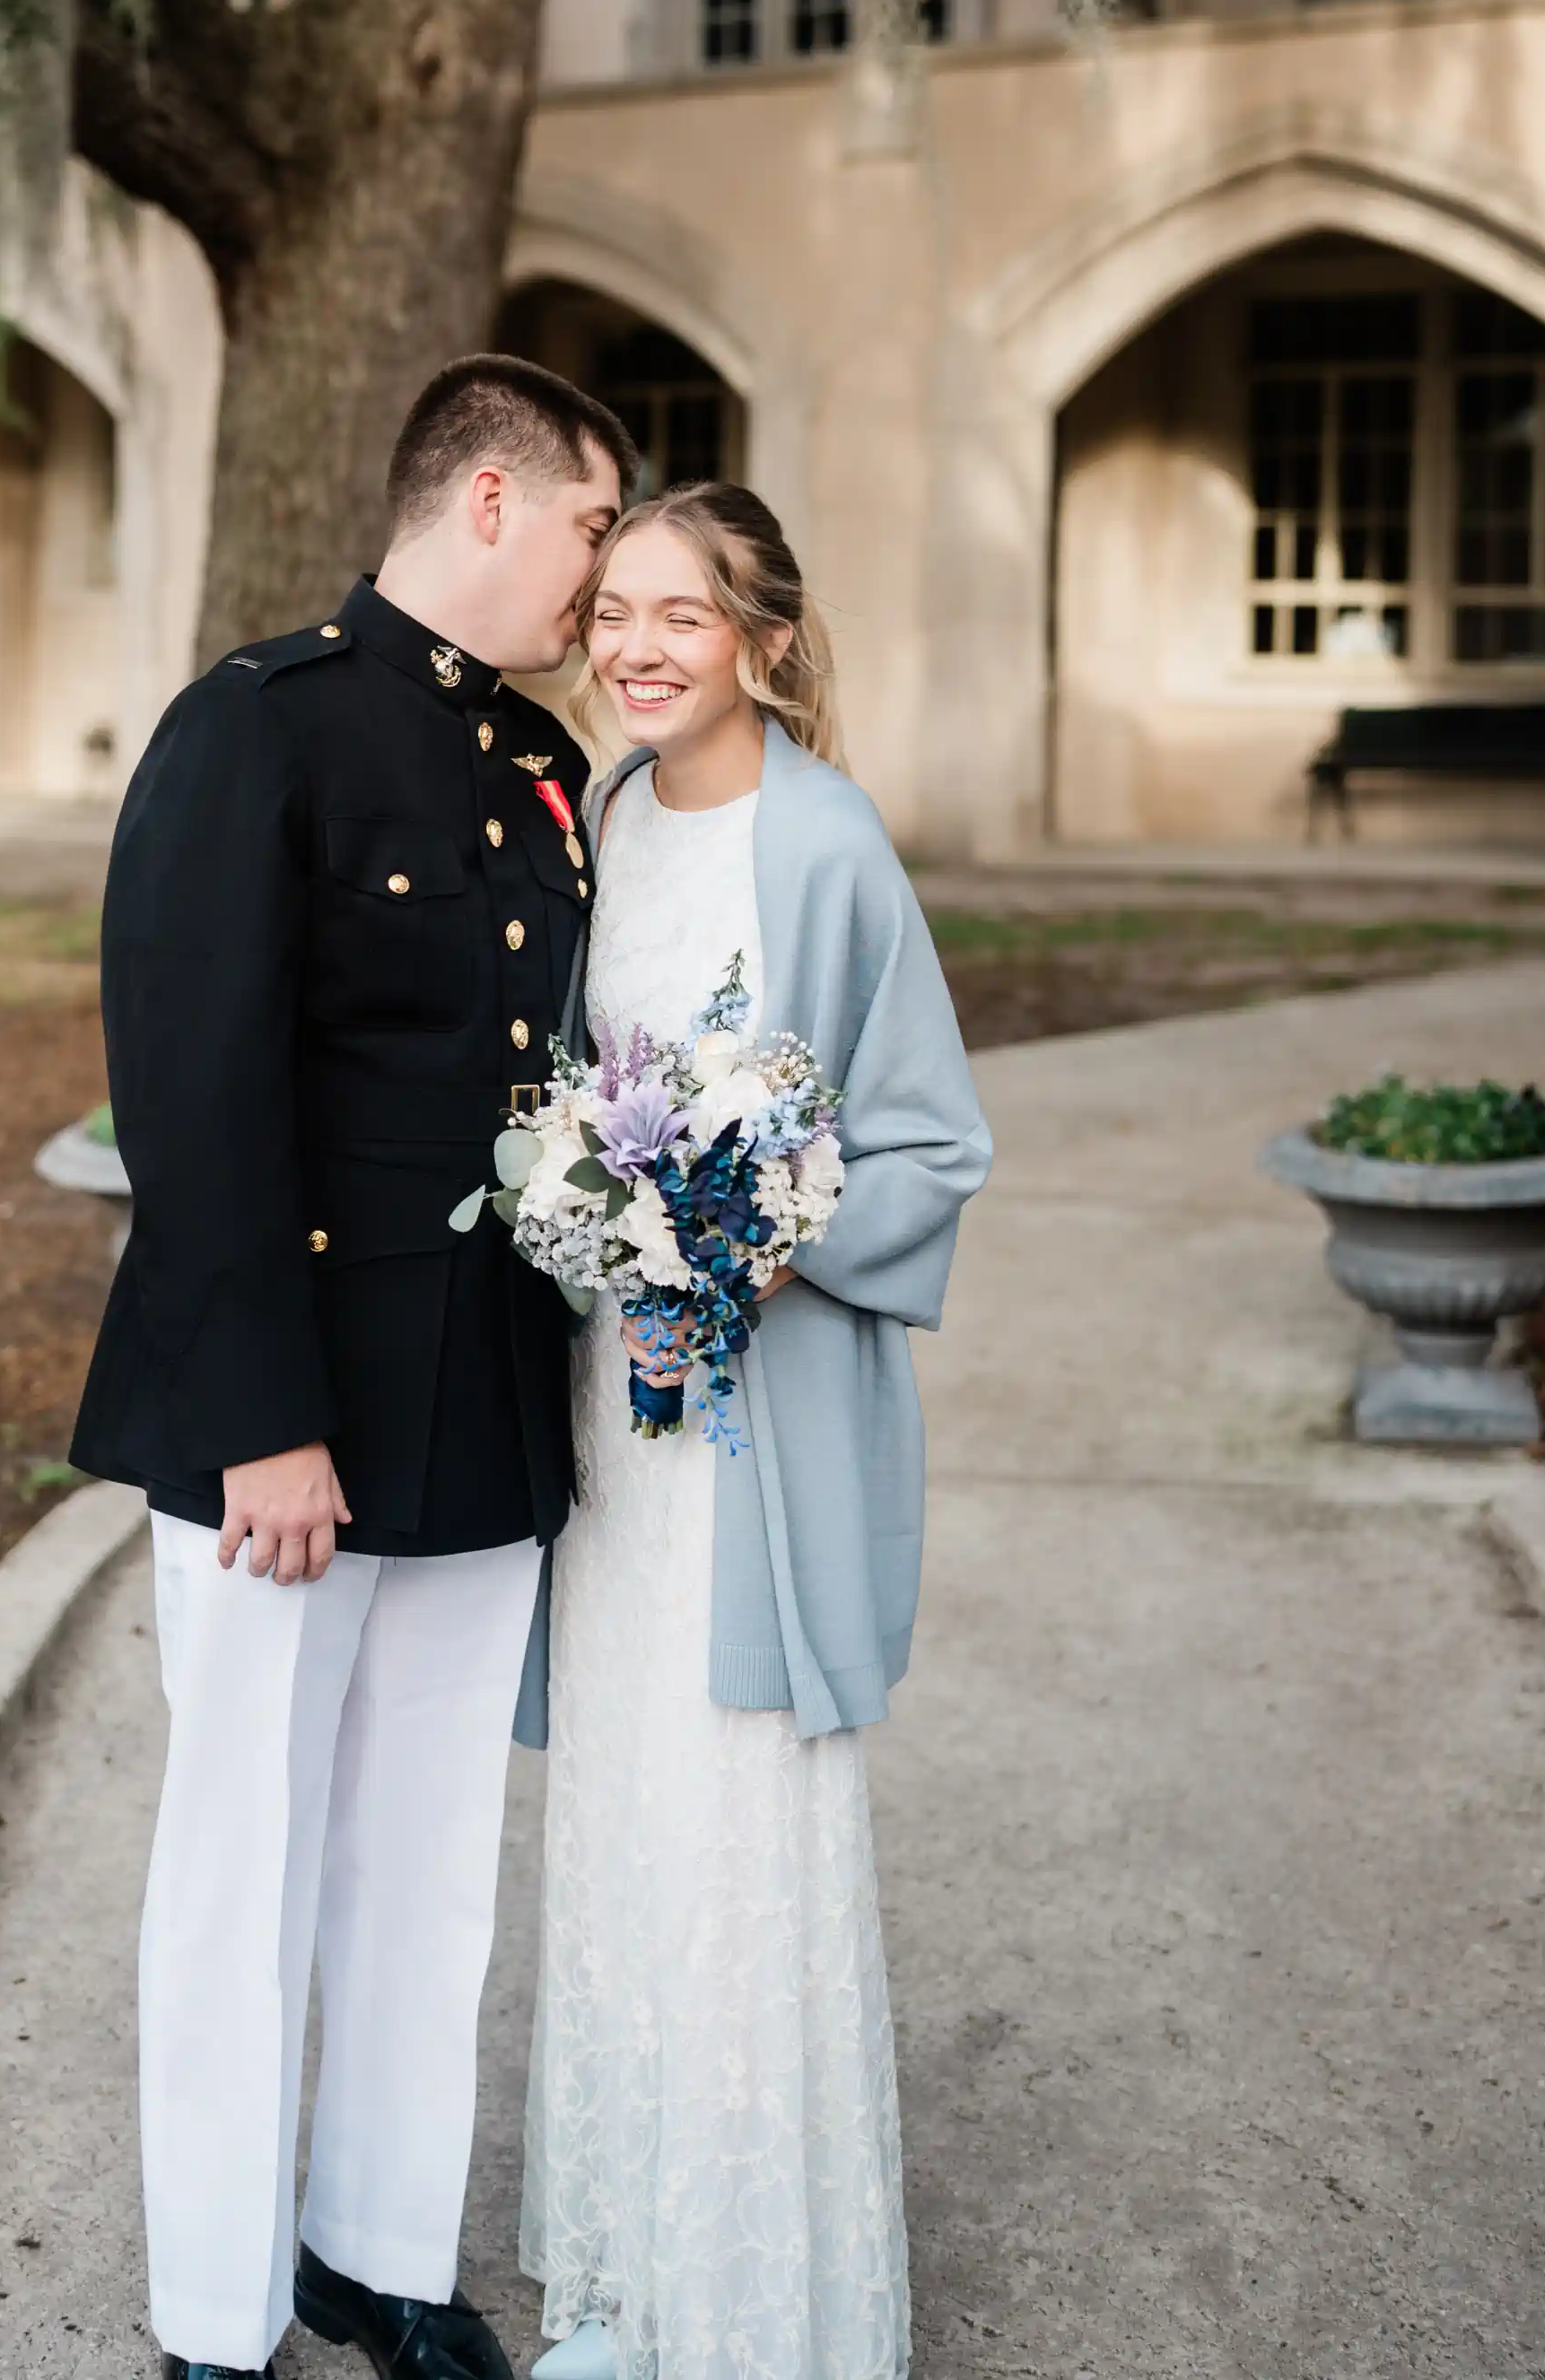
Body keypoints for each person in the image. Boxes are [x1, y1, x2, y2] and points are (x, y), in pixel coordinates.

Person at [69, 355, 636, 2380]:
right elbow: (195, 1102)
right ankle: (212, 2317)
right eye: (589, 524)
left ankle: (374, 2251)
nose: (601, 568)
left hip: (474, 1397)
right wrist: (264, 1429)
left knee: (421, 1856)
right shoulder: (259, 732)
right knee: (242, 1860)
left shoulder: (537, 771)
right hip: (283, 1419)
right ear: (488, 500)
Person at [519, 483, 992, 2380]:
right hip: (610, 1417)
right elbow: (577, 1092)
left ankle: (744, 2294)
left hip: (752, 1426)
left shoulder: (823, 848)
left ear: (763, 643)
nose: (635, 647)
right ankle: (625, 2272)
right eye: (612, 609)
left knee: (728, 1807)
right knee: (626, 1802)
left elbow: (929, 1139)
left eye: (681, 617)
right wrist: (584, 1213)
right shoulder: (612, 816)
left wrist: (766, 1238)